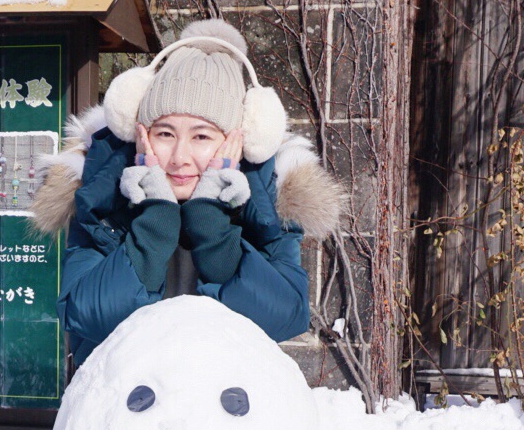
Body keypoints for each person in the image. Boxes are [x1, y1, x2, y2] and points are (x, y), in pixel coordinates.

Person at [30, 20, 346, 363]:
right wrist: (155, 222)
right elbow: (85, 317)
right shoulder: (100, 199)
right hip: (124, 407)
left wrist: (211, 224)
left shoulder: (268, 205)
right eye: (165, 134)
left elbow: (284, 317)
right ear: (140, 134)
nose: (180, 158)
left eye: (202, 137)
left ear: (238, 143)